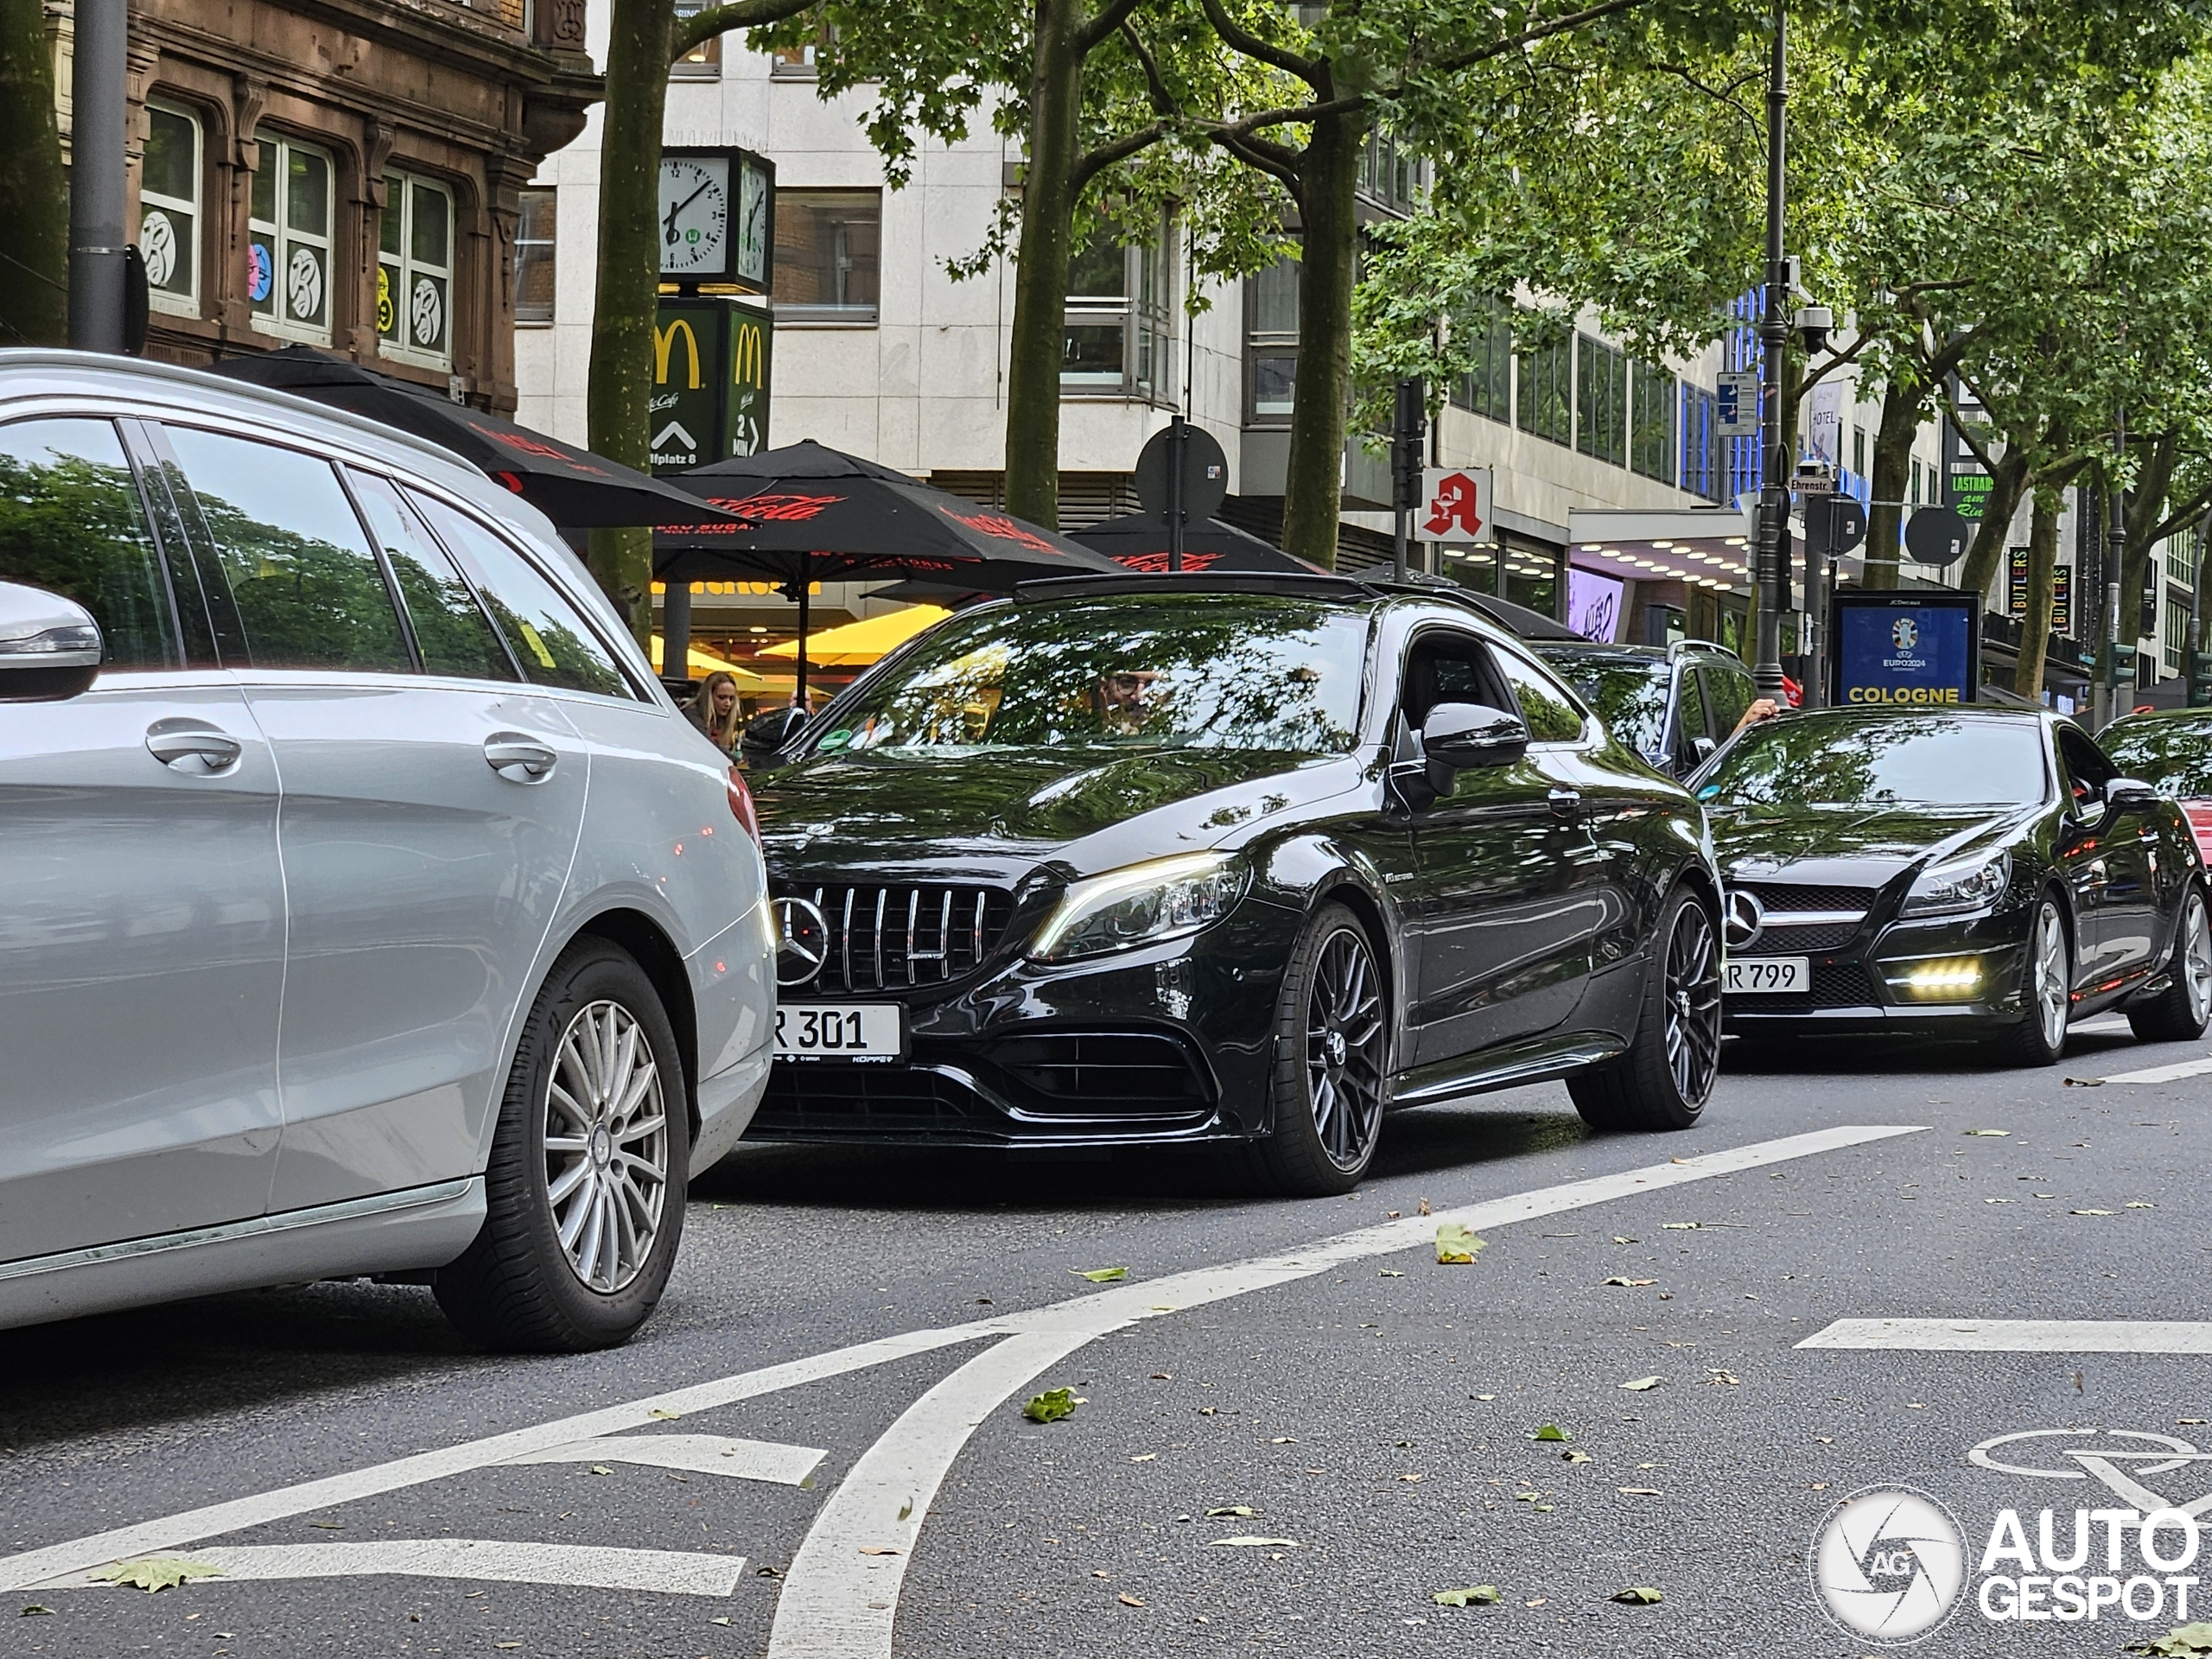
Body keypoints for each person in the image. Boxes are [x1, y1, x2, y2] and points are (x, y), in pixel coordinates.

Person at [688, 671, 743, 753]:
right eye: (722, 697)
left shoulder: (721, 722)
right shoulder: (692, 717)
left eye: (731, 699)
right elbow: (708, 748)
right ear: (709, 697)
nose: (728, 703)